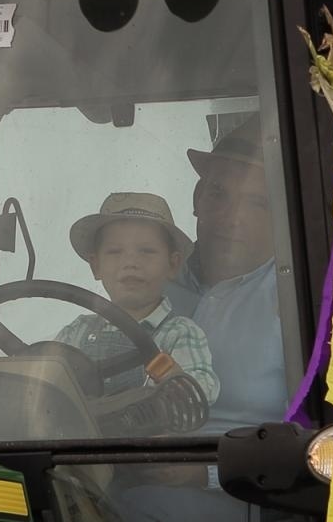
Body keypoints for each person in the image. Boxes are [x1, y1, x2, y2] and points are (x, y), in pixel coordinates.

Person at [168, 115, 287, 431]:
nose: (232, 217)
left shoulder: (300, 299)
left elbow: (322, 442)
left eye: (257, 203)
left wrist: (203, 473)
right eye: (218, 194)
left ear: (282, 216)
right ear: (197, 198)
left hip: (251, 479)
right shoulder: (153, 283)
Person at [54, 192, 219, 406]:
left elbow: (199, 392)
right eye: (115, 252)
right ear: (96, 266)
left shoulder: (180, 333)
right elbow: (42, 385)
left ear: (173, 265)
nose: (131, 262)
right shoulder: (75, 332)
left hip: (151, 439)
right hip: (78, 439)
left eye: (147, 251)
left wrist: (174, 380)